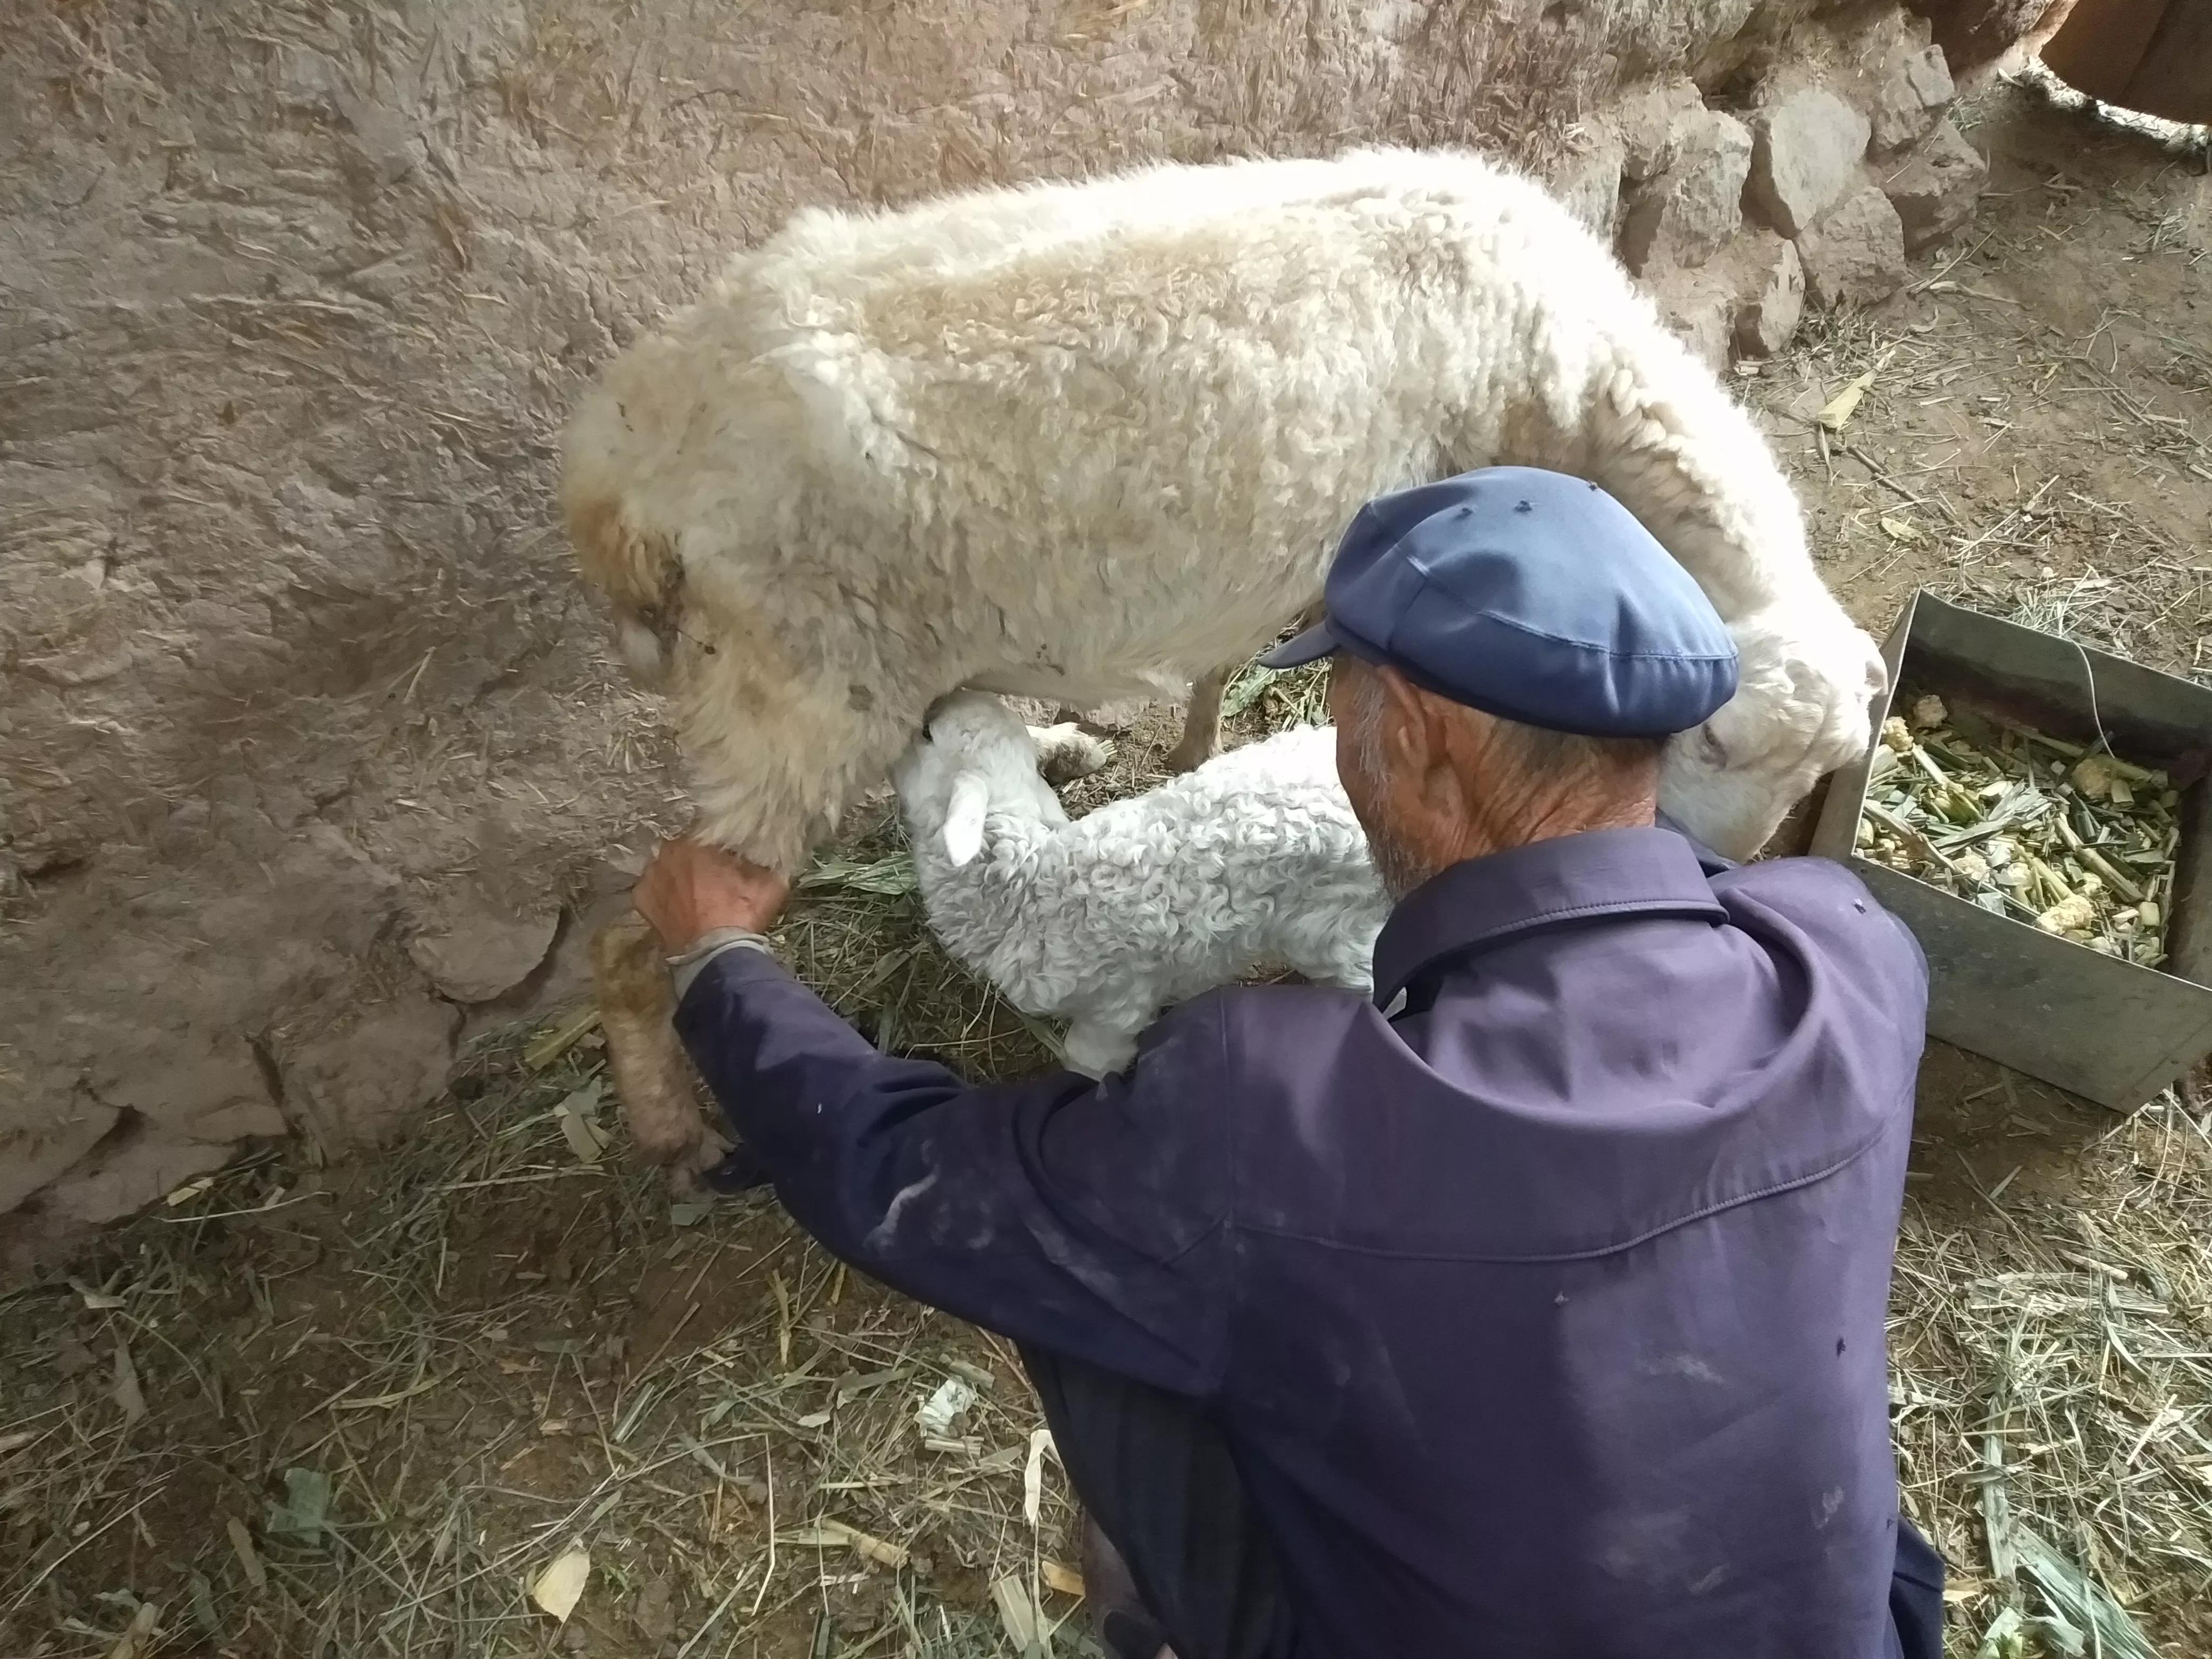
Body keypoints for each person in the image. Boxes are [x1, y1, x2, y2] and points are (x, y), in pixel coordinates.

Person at [633, 467, 1941, 1659]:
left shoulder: (1273, 1115)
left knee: (1095, 1295)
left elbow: (907, 1177)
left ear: (1416, 732)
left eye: (1341, 695)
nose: (1335, 731)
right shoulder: (1856, 961)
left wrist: (718, 964)